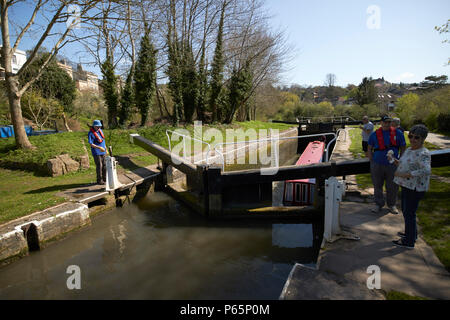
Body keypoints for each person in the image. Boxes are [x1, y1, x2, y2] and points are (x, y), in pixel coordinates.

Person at [389, 124, 431, 249]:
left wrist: (405, 174)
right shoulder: (409, 149)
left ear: (422, 139)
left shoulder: (423, 153)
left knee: (409, 213)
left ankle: (409, 241)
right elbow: (403, 163)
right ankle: (411, 234)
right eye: (410, 136)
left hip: (415, 188)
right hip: (406, 186)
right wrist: (393, 159)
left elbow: (426, 170)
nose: (412, 139)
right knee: (407, 212)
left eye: (416, 137)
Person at [367, 115, 406, 214]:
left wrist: (400, 159)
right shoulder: (374, 134)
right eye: (385, 122)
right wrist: (371, 159)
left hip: (392, 164)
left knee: (392, 186)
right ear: (381, 123)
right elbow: (369, 147)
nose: (387, 124)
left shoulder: (398, 133)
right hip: (377, 164)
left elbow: (403, 147)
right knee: (377, 185)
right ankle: (378, 204)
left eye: (389, 122)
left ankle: (392, 205)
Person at [88, 120, 108, 185]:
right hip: (96, 152)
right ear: (94, 126)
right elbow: (91, 144)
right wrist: (99, 147)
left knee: (105, 165)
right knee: (99, 166)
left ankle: (105, 178)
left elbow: (103, 141)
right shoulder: (90, 133)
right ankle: (99, 180)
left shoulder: (100, 131)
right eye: (97, 126)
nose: (99, 128)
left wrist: (106, 149)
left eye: (99, 126)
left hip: (103, 151)